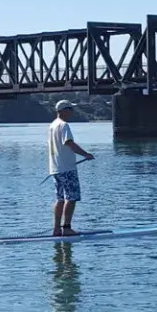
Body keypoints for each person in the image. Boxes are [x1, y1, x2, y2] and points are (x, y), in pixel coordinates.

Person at [47, 100, 95, 235]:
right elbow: (69, 143)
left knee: (60, 198)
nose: (72, 112)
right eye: (70, 109)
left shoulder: (52, 126)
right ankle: (67, 228)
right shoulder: (64, 125)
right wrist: (86, 154)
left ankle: (57, 229)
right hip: (67, 168)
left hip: (55, 168)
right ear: (64, 110)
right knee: (71, 198)